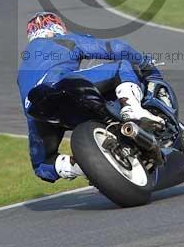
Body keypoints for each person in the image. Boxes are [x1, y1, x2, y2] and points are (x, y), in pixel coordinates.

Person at [17, 11, 164, 183]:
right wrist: (148, 68)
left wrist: (94, 166)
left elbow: (42, 169)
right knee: (121, 66)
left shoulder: (22, 72)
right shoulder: (60, 41)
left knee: (42, 163)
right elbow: (117, 48)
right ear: (57, 27)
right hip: (63, 86)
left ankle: (85, 166)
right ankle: (132, 110)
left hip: (39, 111)